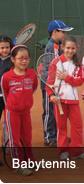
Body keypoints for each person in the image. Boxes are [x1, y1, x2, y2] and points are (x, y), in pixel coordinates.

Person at [46, 36, 84, 160]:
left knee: (77, 126)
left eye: (72, 48)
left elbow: (80, 81)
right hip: (59, 101)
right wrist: (51, 95)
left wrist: (66, 77)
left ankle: (77, 151)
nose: (70, 51)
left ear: (76, 48)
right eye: (67, 48)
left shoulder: (79, 64)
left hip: (73, 100)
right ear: (62, 48)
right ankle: (63, 151)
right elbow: (49, 81)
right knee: (61, 127)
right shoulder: (56, 63)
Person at [1, 45, 38, 176]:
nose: (24, 61)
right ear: (13, 59)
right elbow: (5, 95)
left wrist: (25, 103)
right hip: (12, 112)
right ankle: (18, 165)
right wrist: (11, 108)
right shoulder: (6, 77)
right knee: (14, 139)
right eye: (20, 58)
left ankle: (29, 160)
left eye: (27, 58)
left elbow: (33, 88)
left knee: (27, 138)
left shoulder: (32, 74)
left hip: (26, 112)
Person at [41, 20, 73, 147]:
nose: (65, 35)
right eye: (63, 32)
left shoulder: (58, 45)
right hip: (49, 84)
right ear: (55, 32)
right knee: (49, 112)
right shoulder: (52, 46)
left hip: (56, 83)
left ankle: (56, 135)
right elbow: (54, 67)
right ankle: (49, 138)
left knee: (56, 110)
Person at [0, 35, 14, 167]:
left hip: (9, 97)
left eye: (7, 47)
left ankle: (9, 149)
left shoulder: (13, 60)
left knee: (8, 123)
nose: (5, 50)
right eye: (2, 48)